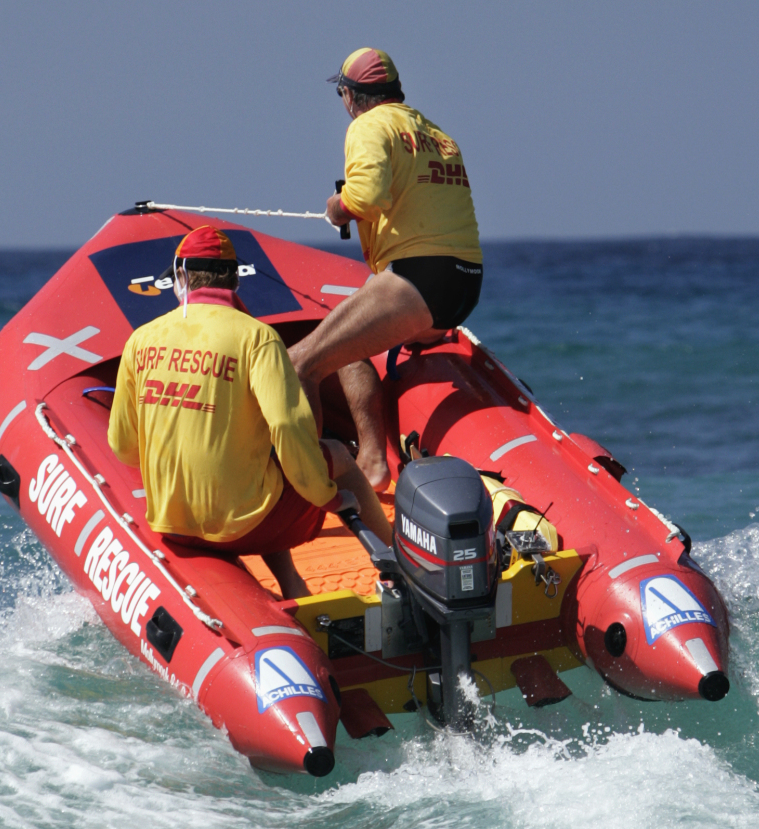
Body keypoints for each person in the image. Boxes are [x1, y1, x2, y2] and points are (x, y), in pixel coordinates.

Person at [108, 224, 393, 599]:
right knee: (333, 455)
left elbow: (124, 447)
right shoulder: (257, 337)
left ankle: (292, 584)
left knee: (261, 470)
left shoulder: (140, 339)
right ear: (234, 283)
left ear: (181, 278)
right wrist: (329, 497)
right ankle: (399, 560)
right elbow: (290, 426)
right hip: (243, 528)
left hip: (172, 525)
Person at [288, 48, 483, 491]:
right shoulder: (437, 133)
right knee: (347, 341)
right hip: (465, 284)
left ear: (351, 96)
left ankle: (311, 489)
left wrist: (337, 209)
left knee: (299, 364)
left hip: (419, 279)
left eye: (341, 93)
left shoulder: (367, 125)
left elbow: (367, 196)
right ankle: (374, 464)